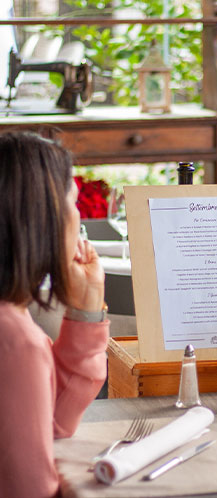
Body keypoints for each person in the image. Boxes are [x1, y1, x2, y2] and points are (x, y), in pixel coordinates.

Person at [0, 131, 109, 497]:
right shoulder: (14, 340)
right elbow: (30, 490)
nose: (79, 218)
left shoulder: (13, 319)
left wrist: (86, 309)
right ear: (44, 216)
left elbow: (49, 423)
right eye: (73, 201)